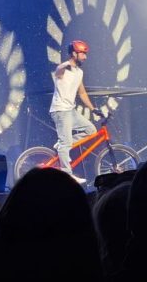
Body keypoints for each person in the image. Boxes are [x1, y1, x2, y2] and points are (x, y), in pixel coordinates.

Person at [50, 39, 99, 184]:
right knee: (65, 144)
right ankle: (67, 174)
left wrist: (93, 109)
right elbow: (58, 72)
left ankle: (61, 145)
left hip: (70, 111)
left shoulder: (79, 72)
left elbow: (82, 93)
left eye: (85, 54)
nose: (85, 57)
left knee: (91, 130)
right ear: (74, 54)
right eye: (82, 53)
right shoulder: (63, 69)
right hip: (60, 110)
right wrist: (66, 64)